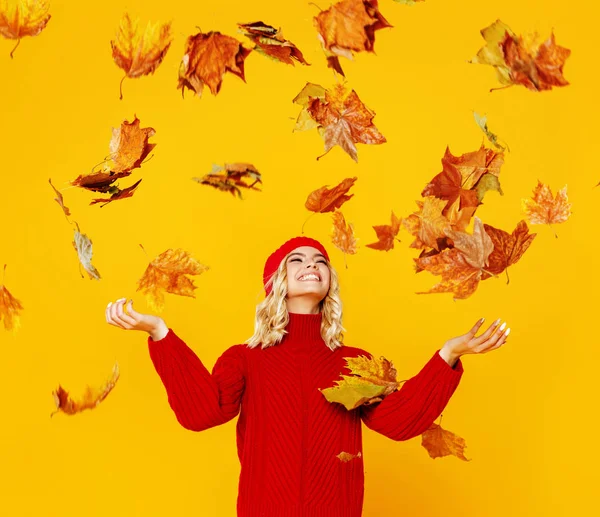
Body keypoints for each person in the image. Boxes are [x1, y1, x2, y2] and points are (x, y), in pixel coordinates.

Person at [105, 236, 510, 517]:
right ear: (276, 282)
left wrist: (448, 355)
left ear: (330, 282)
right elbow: (200, 414)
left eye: (320, 262)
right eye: (296, 261)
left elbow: (399, 421)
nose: (311, 266)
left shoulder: (354, 363)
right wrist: (160, 334)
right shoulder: (246, 359)